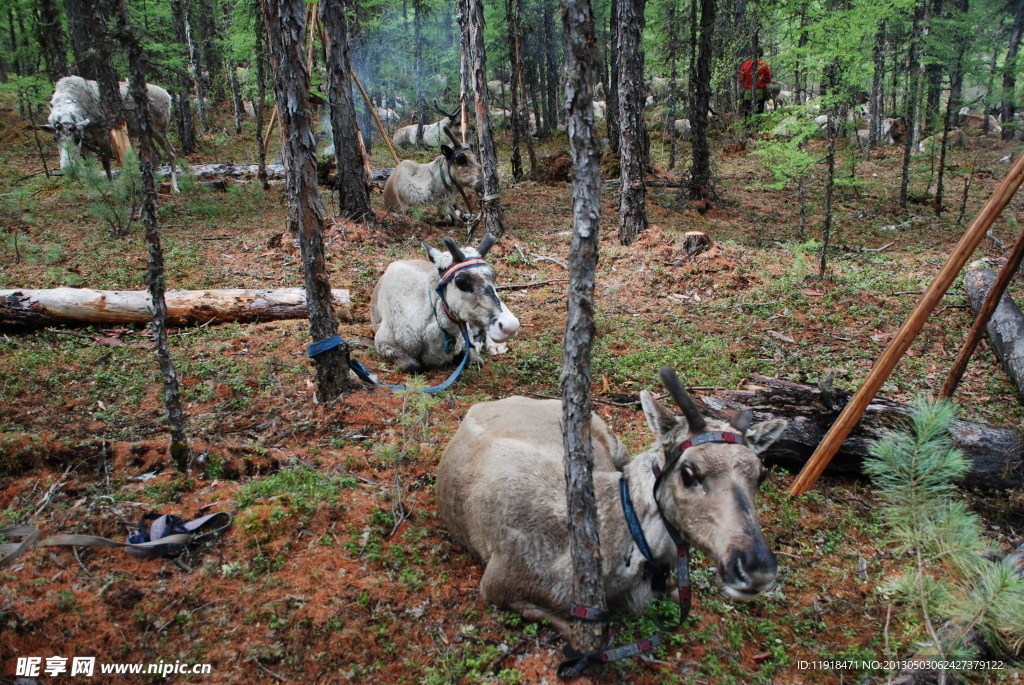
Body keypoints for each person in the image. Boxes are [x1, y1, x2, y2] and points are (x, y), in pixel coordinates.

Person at [739, 49, 772, 115]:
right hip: (760, 93)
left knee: (747, 114)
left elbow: (741, 79)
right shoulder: (764, 65)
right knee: (759, 113)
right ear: (761, 54)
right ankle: (757, 125)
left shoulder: (745, 65)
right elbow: (768, 80)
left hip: (747, 93)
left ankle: (748, 125)